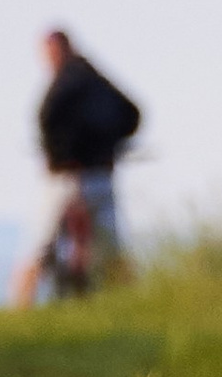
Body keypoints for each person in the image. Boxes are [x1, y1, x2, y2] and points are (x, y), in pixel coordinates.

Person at [12, 30, 142, 304]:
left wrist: (60, 154)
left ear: (56, 51)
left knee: (40, 245)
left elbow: (45, 118)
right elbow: (132, 114)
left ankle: (19, 306)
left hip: (66, 180)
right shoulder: (97, 79)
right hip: (101, 177)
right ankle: (130, 303)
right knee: (111, 248)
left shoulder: (65, 82)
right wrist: (107, 145)